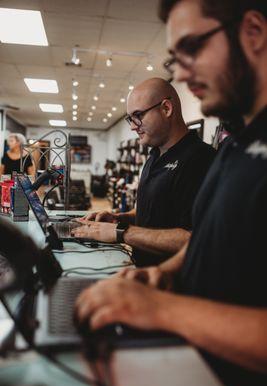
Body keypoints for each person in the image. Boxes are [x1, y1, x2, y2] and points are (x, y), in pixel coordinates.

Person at [75, 1, 267, 386]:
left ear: (254, 32)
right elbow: (205, 234)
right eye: (173, 59)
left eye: (192, 48)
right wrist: (164, 274)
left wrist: (162, 310)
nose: (179, 73)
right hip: (192, 367)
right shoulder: (237, 142)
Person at [73, 78, 215, 267]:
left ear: (166, 109)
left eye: (138, 115)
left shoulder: (201, 160)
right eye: (130, 118)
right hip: (142, 272)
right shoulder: (154, 155)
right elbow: (149, 211)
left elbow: (198, 239)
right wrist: (119, 218)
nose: (132, 126)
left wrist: (121, 232)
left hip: (172, 286)